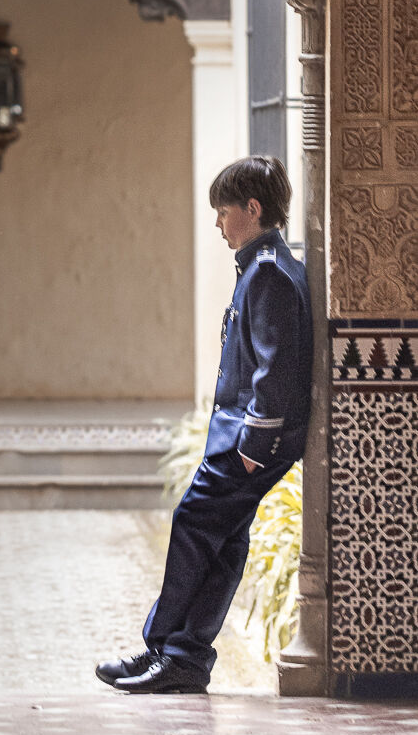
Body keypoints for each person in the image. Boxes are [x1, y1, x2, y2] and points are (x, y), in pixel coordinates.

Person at [96, 154, 312, 695]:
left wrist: (253, 446)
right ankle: (184, 659)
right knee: (225, 541)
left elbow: (275, 369)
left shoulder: (268, 275)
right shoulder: (265, 268)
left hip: (250, 439)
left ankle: (163, 645)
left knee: (194, 525)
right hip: (244, 438)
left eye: (223, 211)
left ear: (252, 208)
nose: (218, 223)